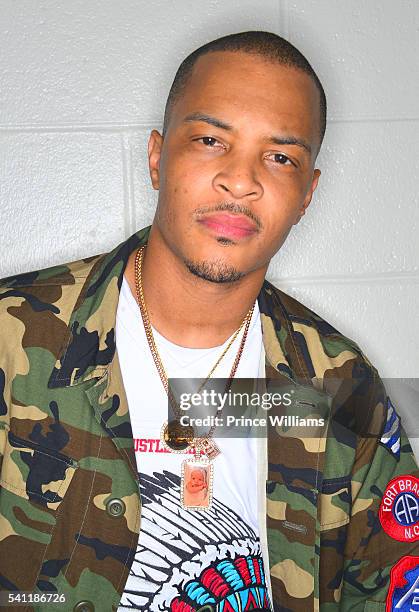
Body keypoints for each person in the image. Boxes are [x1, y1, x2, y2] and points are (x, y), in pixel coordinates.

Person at [0, 30, 418, 612]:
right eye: (209, 139)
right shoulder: (13, 338)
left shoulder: (339, 383)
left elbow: (395, 590)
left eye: (279, 157)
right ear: (156, 156)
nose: (241, 180)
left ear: (307, 194)